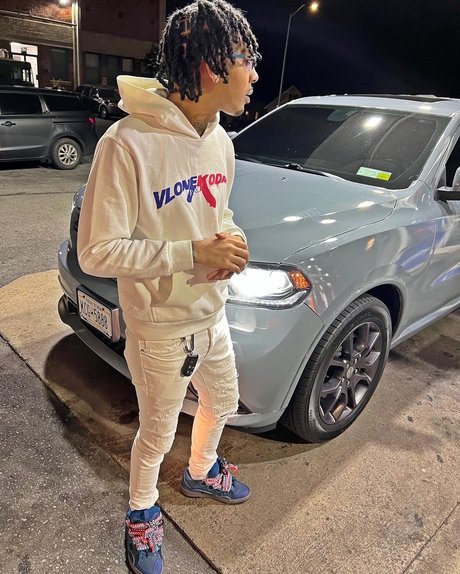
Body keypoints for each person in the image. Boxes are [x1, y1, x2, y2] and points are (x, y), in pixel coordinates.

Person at [77, 1, 260, 572]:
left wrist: (231, 238)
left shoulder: (221, 140)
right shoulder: (126, 142)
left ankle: (201, 470)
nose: (254, 74)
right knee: (156, 432)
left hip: (212, 314)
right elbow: (95, 251)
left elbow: (216, 214)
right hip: (160, 328)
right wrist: (192, 253)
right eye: (245, 59)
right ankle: (141, 512)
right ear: (210, 67)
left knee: (222, 400)